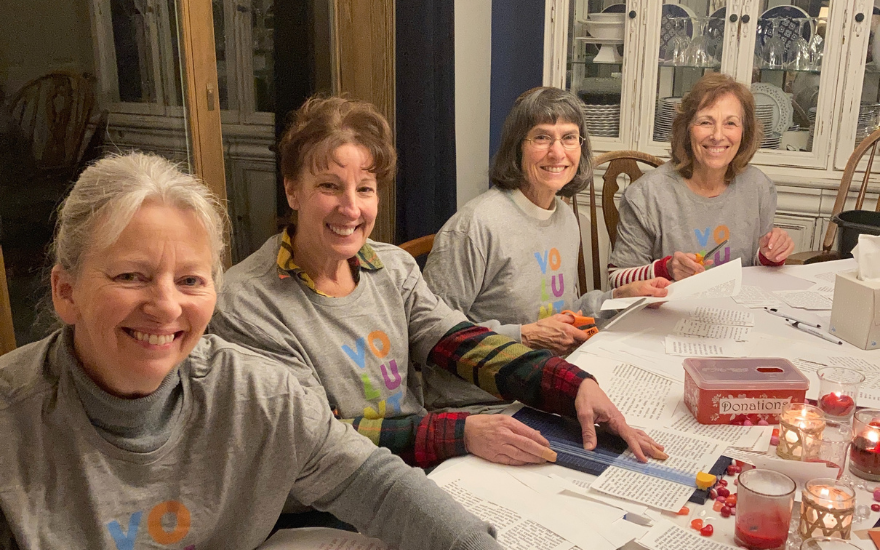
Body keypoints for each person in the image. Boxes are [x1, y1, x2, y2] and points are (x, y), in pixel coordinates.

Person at [0, 152, 503, 550]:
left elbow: (377, 485)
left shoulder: (258, 394)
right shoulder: (13, 425)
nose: (167, 306)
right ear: (66, 291)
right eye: (131, 275)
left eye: (190, 280)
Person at [211, 96, 663, 471]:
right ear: (292, 190)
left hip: (417, 463)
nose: (350, 208)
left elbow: (460, 342)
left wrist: (573, 385)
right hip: (335, 492)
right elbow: (314, 438)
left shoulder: (391, 267)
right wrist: (461, 433)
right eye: (330, 186)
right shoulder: (247, 300)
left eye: (365, 188)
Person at [423, 86, 670, 357]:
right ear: (516, 148)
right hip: (492, 383)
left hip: (550, 370)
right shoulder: (475, 227)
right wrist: (526, 336)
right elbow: (429, 334)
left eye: (569, 138)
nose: (557, 153)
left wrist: (618, 298)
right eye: (542, 137)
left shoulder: (565, 218)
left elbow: (565, 314)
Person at [607, 73, 794, 288]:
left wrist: (770, 255)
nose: (717, 135)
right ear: (686, 129)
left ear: (745, 132)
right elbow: (617, 279)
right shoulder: (646, 195)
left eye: (730, 123)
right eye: (706, 122)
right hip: (670, 308)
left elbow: (757, 271)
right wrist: (665, 269)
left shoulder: (759, 187)